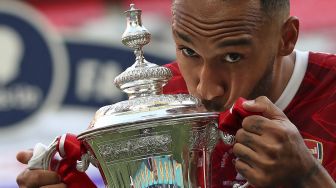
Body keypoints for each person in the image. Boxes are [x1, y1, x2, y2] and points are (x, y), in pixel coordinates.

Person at [16, 0, 336, 187]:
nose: (206, 88)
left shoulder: (330, 91)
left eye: (233, 56)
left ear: (287, 38)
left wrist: (309, 178)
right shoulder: (161, 101)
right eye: (189, 51)